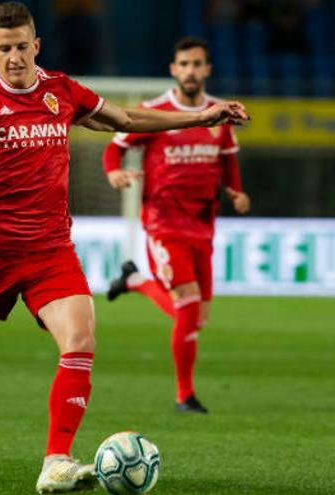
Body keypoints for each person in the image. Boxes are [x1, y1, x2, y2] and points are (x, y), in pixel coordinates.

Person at [0, 4, 248, 493]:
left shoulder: (61, 90)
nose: (14, 58)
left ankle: (55, 461)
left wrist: (201, 116)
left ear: (36, 45)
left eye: (22, 46)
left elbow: (122, 117)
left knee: (81, 341)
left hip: (50, 251)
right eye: (4, 49)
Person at [103, 37, 251, 415]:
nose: (190, 70)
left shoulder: (219, 117)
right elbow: (114, 146)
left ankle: (135, 282)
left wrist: (235, 191)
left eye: (197, 63)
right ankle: (184, 395)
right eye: (183, 63)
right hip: (163, 224)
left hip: (203, 226)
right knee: (186, 305)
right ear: (173, 69)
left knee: (196, 317)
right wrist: (114, 171)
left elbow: (228, 162)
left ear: (207, 69)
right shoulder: (155, 113)